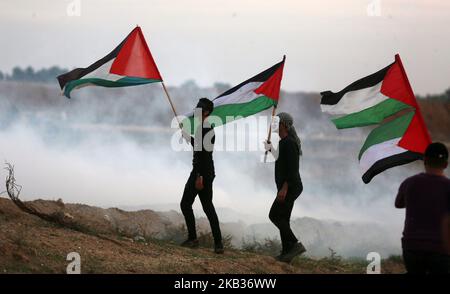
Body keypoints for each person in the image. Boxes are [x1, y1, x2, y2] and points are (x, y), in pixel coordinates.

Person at [395, 142, 450, 274]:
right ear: (446, 164)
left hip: (412, 248)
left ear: (424, 161)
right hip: (441, 250)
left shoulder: (410, 182)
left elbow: (398, 204)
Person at [180, 98, 224, 254]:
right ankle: (218, 244)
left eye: (199, 109)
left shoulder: (203, 129)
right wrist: (188, 137)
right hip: (206, 172)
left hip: (201, 173)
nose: (196, 111)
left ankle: (193, 239)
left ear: (206, 112)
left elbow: (203, 156)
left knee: (186, 204)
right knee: (208, 207)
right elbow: (199, 147)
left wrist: (199, 177)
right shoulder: (206, 128)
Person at [264, 112, 306, 263]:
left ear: (283, 125)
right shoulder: (284, 142)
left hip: (290, 186)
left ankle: (294, 245)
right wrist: (271, 150)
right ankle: (286, 253)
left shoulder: (288, 143)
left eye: (277, 122)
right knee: (283, 218)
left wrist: (284, 188)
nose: (274, 124)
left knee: (274, 215)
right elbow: (282, 160)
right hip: (289, 186)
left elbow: (292, 169)